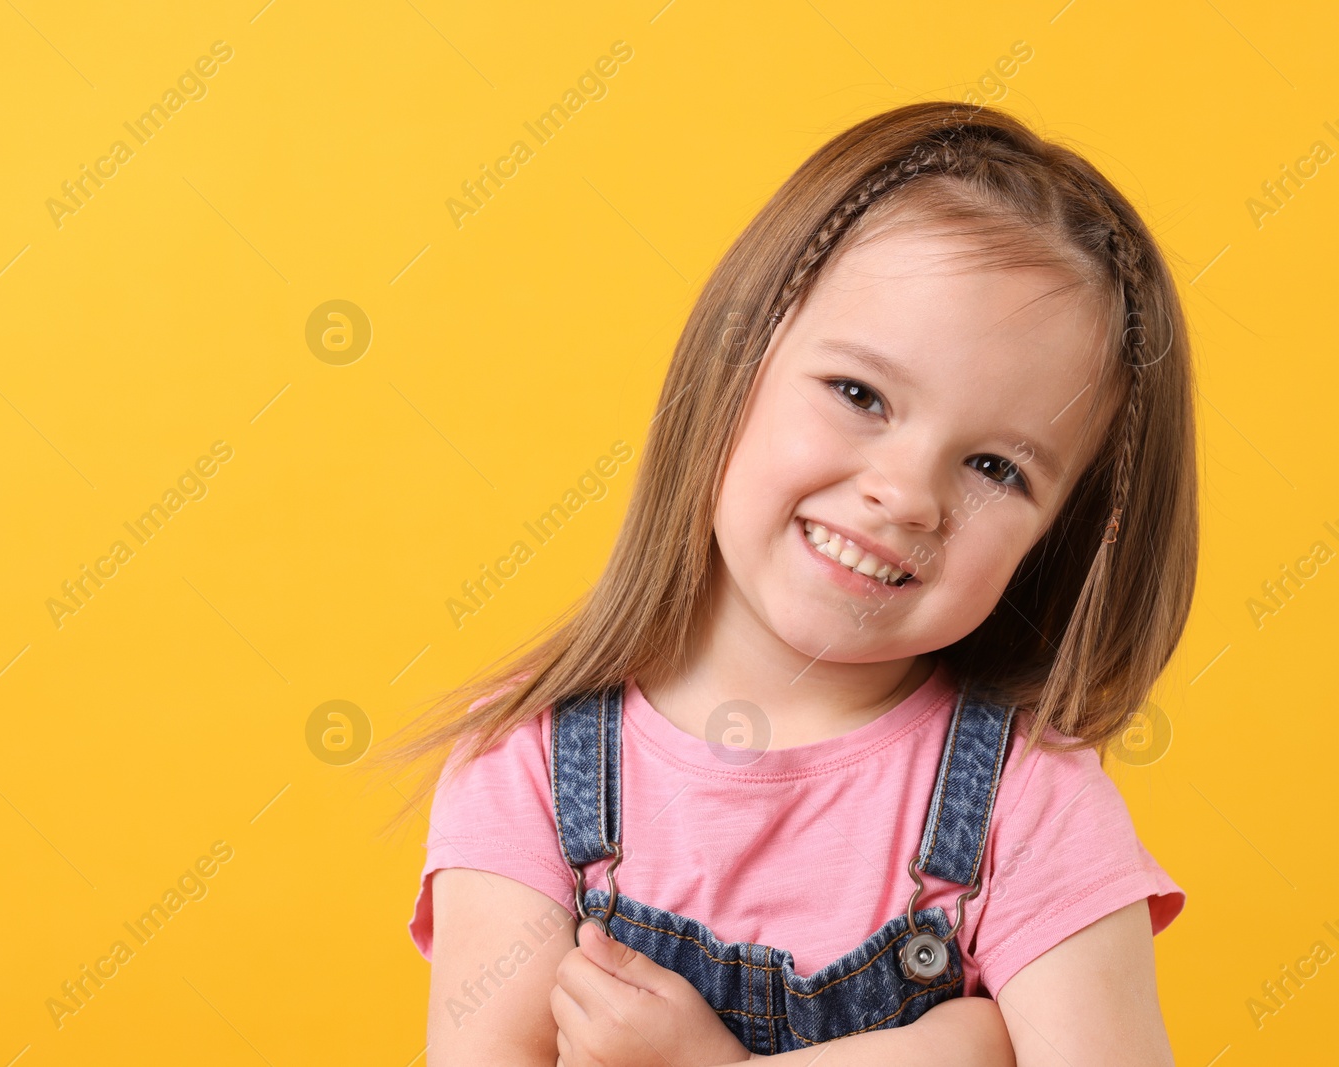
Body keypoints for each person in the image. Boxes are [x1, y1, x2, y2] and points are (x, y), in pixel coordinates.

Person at [372, 99, 1197, 1066]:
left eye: (996, 468)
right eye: (860, 395)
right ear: (737, 360)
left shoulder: (1032, 803)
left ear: (1057, 538)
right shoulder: (528, 773)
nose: (906, 496)